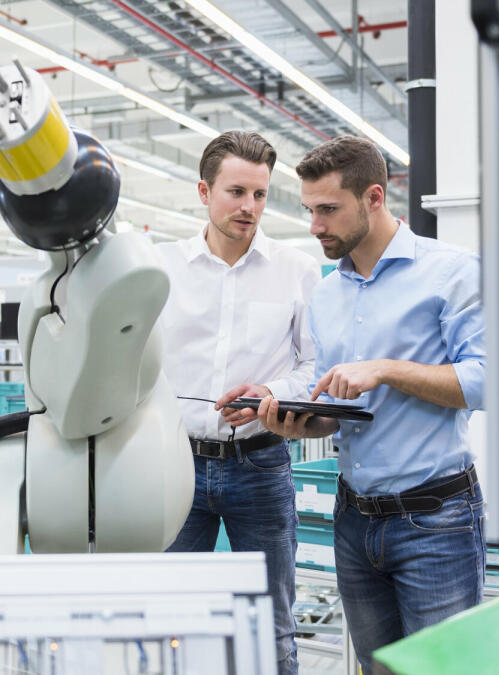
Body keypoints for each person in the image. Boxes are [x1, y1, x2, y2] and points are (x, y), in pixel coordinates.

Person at [257, 136, 486, 674]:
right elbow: (335, 399)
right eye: (311, 210)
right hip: (355, 522)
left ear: (375, 197)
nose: (315, 226)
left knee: (444, 670)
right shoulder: (328, 294)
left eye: (329, 210)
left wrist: (385, 369)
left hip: (436, 522)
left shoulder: (450, 272)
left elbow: (486, 379)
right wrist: (293, 419)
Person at [156, 130, 320, 675]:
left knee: (272, 627)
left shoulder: (297, 270)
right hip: (174, 466)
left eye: (260, 195)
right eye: (236, 192)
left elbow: (314, 366)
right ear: (204, 191)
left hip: (261, 464)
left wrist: (273, 393)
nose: (249, 208)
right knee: (172, 624)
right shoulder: (162, 269)